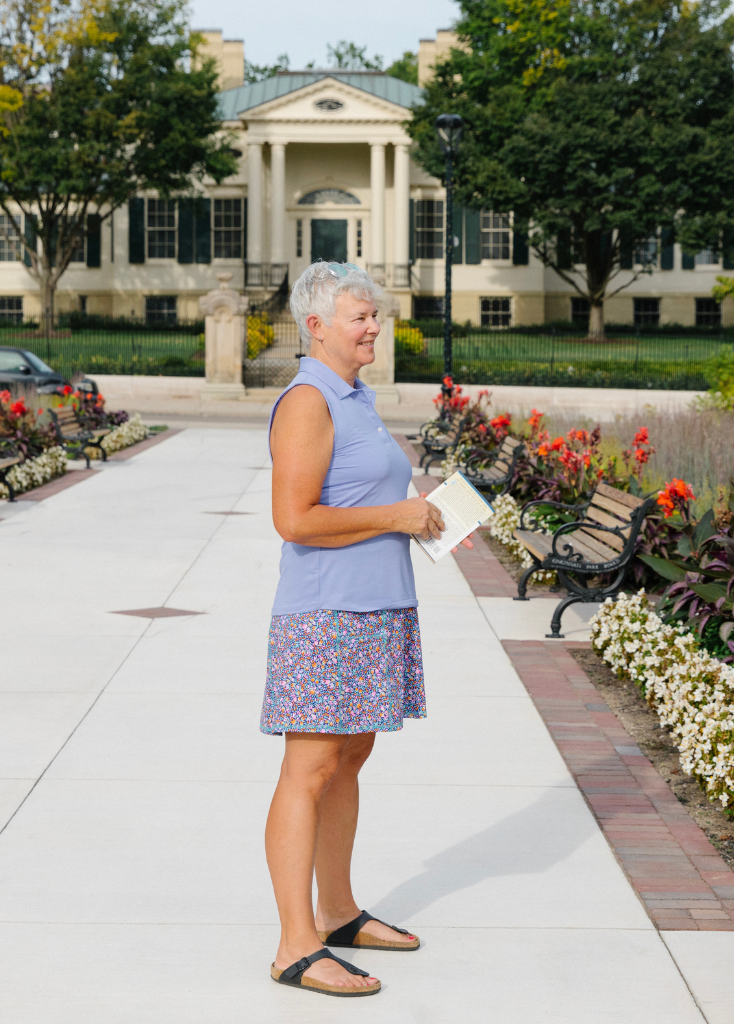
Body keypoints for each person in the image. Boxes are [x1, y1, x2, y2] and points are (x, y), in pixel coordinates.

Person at [262, 261, 470, 997]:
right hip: (327, 614)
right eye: (360, 317)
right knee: (309, 771)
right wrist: (396, 515)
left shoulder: (356, 396)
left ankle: (339, 913)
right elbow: (294, 520)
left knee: (349, 759)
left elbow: (365, 496)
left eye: (374, 315)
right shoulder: (308, 401)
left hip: (377, 608)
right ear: (316, 326)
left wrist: (426, 516)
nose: (374, 326)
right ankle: (295, 946)